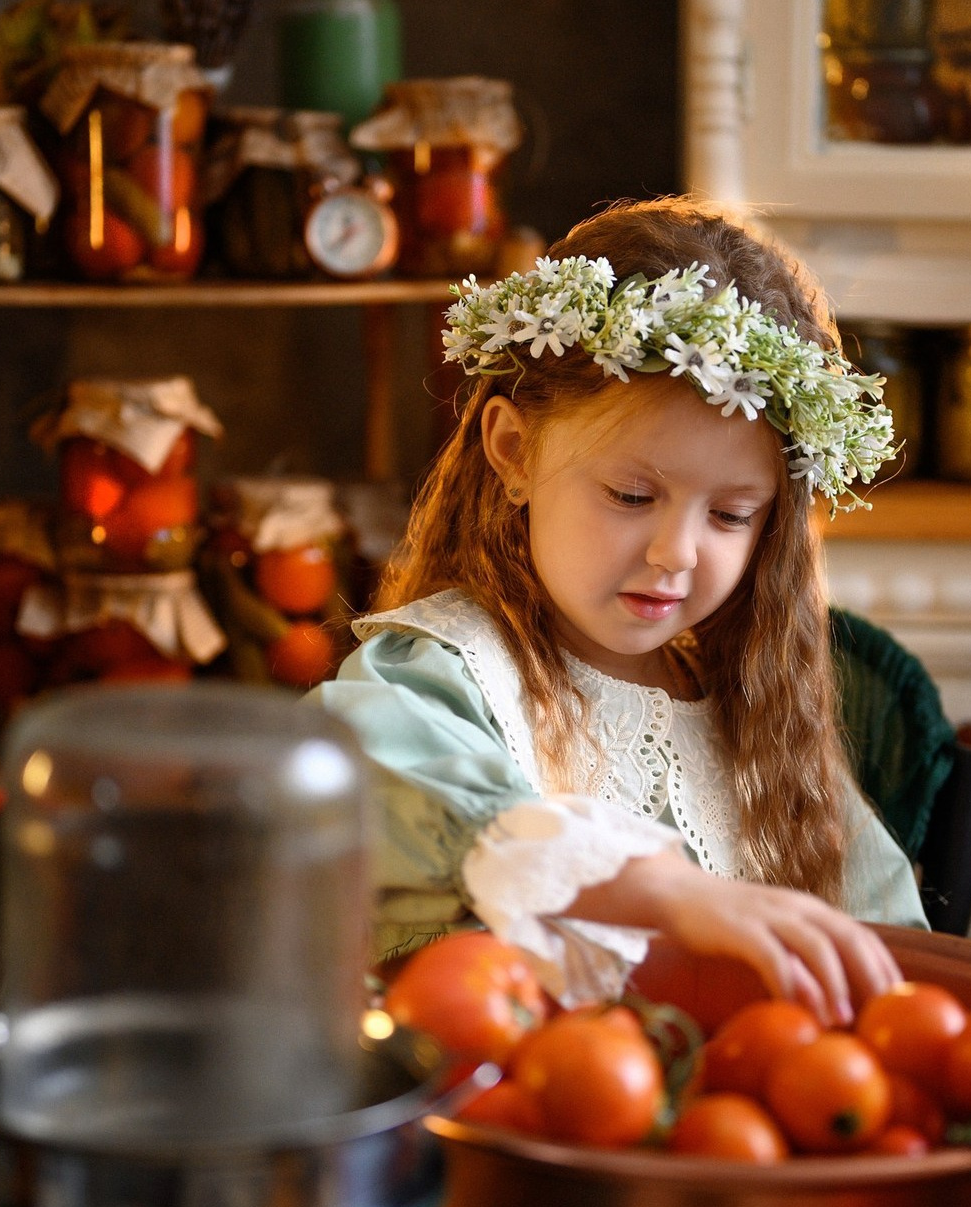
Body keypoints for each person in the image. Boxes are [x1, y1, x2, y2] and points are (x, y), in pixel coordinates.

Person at [314, 195, 922, 1028]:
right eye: (632, 495)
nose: (677, 552)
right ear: (513, 452)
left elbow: (892, 949)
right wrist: (664, 891)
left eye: (732, 515)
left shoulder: (755, 712)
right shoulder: (448, 671)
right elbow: (369, 772)